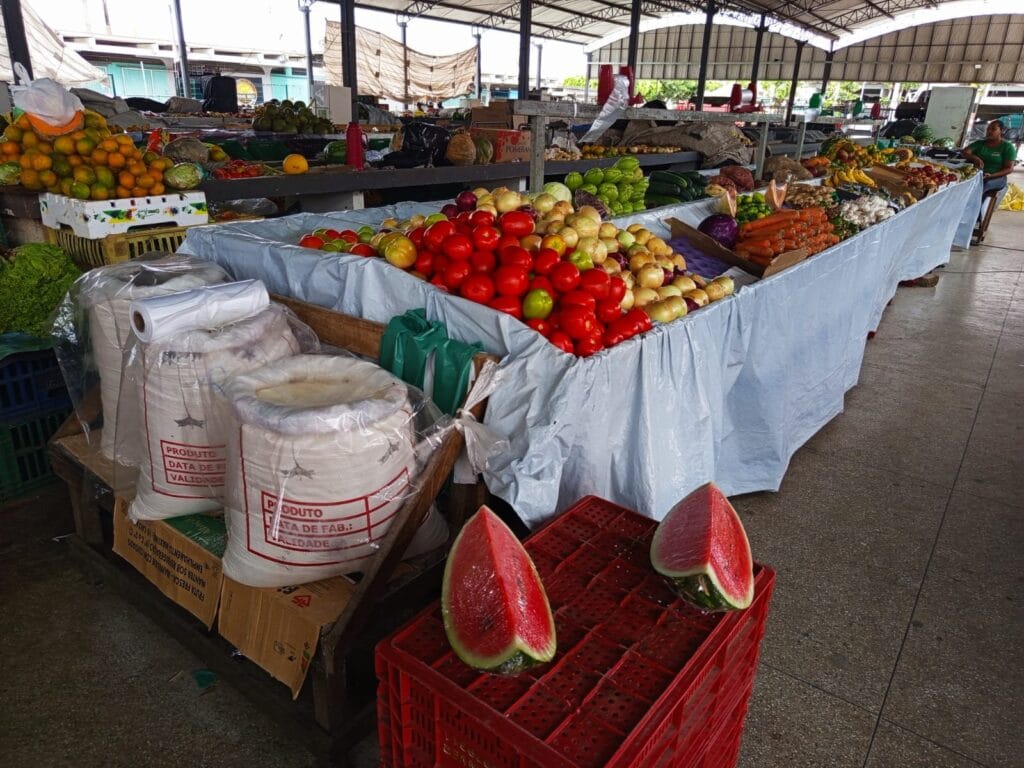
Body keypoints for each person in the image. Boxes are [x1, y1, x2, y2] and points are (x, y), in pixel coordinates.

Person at [962, 119, 1017, 226]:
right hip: (979, 175)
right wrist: (975, 158)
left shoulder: (1007, 147)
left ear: (1001, 131)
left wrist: (991, 175)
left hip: (997, 178)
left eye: (993, 129)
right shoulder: (980, 144)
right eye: (988, 129)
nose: (989, 131)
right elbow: (965, 152)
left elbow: (1009, 169)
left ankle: (974, 220)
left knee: (982, 187)